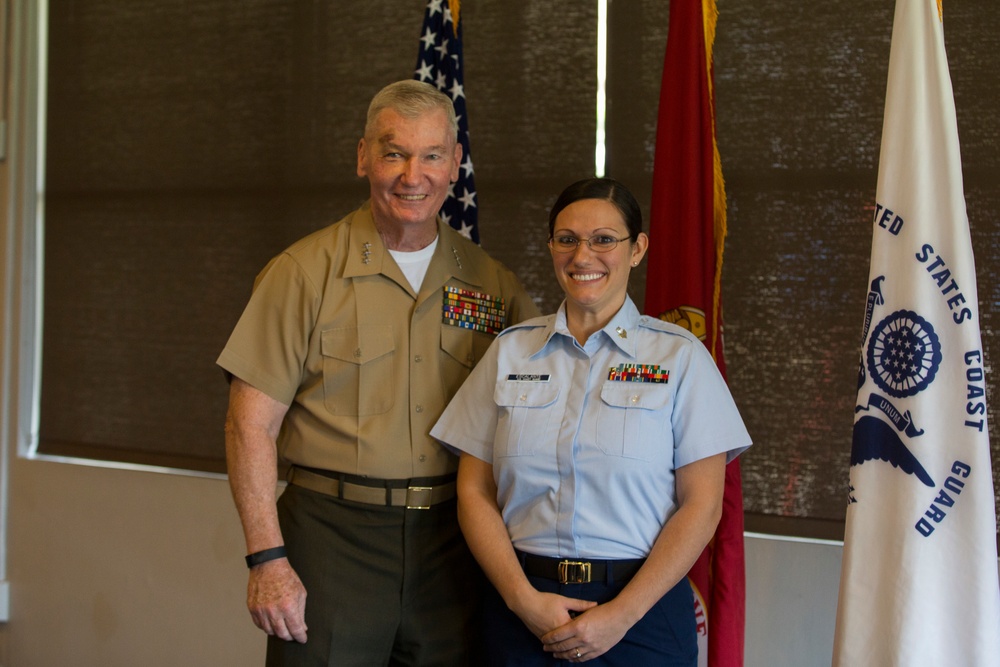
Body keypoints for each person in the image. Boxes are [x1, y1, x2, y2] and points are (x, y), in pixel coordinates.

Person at [217, 79, 540, 666]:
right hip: (331, 538)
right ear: (363, 156)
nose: (412, 175)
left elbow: (541, 418)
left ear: (455, 164)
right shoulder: (303, 272)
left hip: (454, 543)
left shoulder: (492, 283)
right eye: (394, 153)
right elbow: (249, 428)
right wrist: (267, 560)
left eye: (432, 155)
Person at [430, 177, 752, 666]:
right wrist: (521, 599)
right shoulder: (511, 350)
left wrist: (623, 613)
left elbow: (702, 506)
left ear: (637, 248)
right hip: (523, 608)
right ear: (552, 248)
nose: (583, 256)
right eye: (567, 239)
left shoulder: (681, 358)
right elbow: (474, 492)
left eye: (604, 239)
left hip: (641, 611)